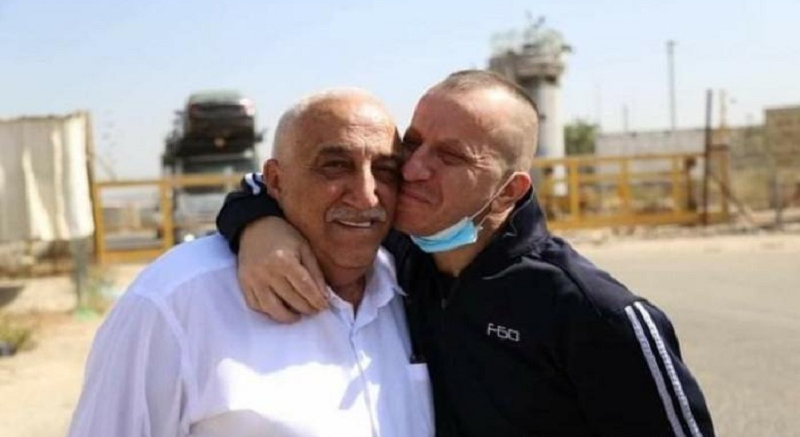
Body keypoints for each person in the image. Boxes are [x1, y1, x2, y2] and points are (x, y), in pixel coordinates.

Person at [217, 70, 716, 437]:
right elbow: (270, 183)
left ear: (508, 191)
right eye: (413, 144)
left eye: (451, 156)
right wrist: (258, 225)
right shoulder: (398, 256)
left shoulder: (593, 314)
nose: (412, 169)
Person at [68, 89, 434, 437]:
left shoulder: (417, 287)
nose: (367, 195)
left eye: (385, 170)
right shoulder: (176, 302)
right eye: (335, 166)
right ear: (274, 180)